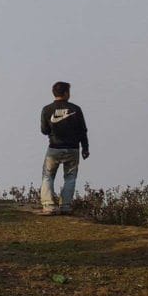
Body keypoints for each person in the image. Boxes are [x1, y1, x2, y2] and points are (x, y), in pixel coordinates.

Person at [39, 81, 89, 215]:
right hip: (73, 148)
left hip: (54, 147)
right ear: (66, 93)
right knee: (70, 177)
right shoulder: (76, 109)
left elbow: (44, 130)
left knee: (48, 176)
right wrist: (85, 148)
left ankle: (49, 206)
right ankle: (65, 206)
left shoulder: (47, 109)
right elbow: (82, 130)